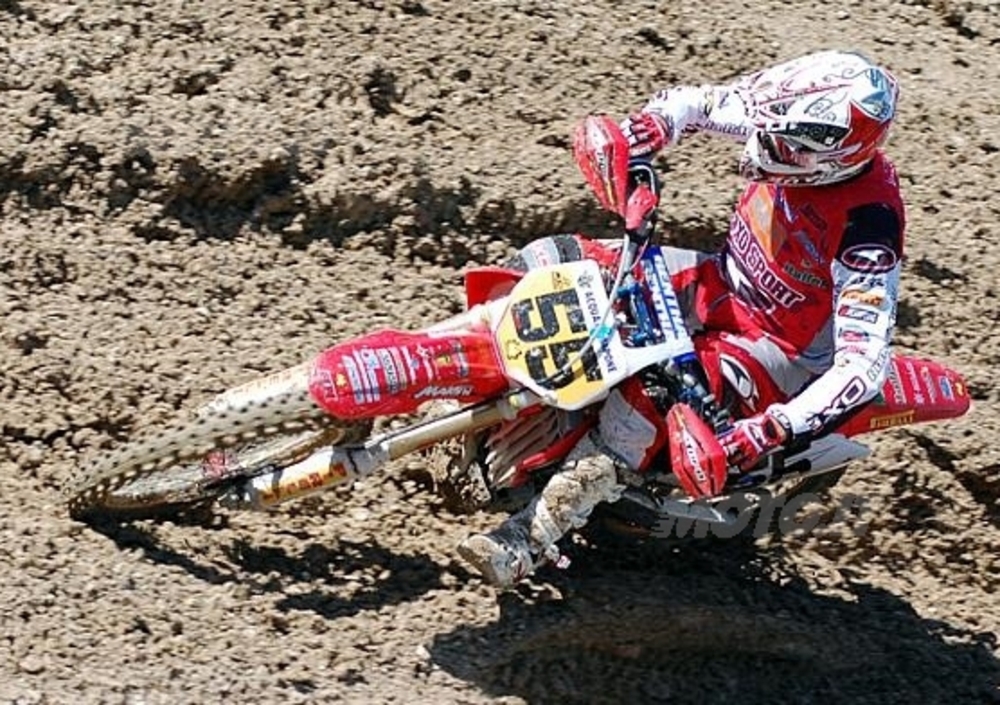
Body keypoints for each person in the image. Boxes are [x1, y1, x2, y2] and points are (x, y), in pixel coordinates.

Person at [457, 49, 905, 588]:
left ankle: (527, 539)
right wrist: (648, 131)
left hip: (776, 349)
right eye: (769, 129)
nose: (764, 144)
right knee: (554, 261)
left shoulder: (869, 232)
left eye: (785, 146)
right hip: (723, 283)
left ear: (834, 160)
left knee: (647, 400)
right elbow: (700, 102)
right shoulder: (790, 120)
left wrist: (768, 429)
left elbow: (863, 365)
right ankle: (472, 383)